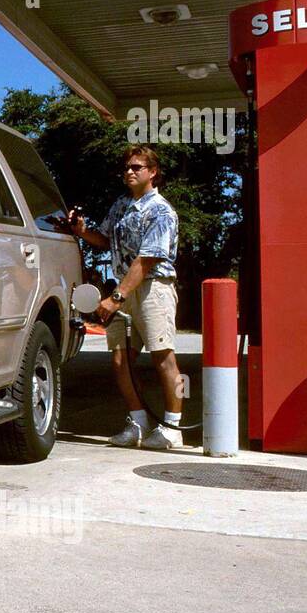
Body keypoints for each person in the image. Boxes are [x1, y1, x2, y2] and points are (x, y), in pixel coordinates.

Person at [67, 145, 184, 450]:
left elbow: (146, 261)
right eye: (127, 168)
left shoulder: (161, 211)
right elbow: (105, 240)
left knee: (163, 357)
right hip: (125, 287)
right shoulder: (120, 206)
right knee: (120, 360)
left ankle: (173, 426)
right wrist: (82, 231)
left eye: (137, 167)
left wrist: (116, 297)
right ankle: (138, 423)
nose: (130, 172)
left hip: (152, 288)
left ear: (153, 172)